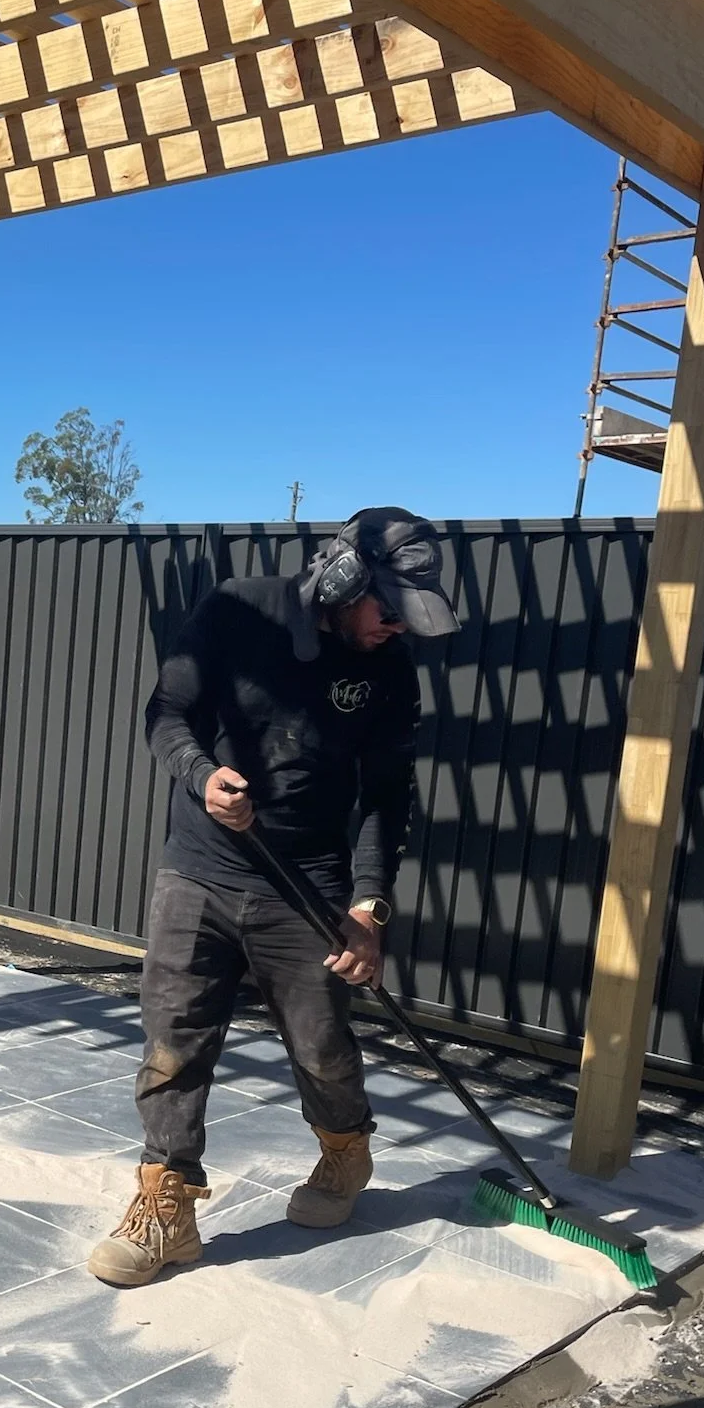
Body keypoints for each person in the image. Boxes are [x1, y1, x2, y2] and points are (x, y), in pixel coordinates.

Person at [87, 506, 460, 1288]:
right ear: (340, 577)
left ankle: (345, 1147)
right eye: (388, 608)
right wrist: (202, 775)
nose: (397, 627)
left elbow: (389, 797)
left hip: (309, 883)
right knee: (173, 1044)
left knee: (323, 1048)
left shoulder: (387, 666)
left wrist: (368, 908)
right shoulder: (237, 611)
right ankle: (168, 1205)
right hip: (200, 870)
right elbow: (167, 713)